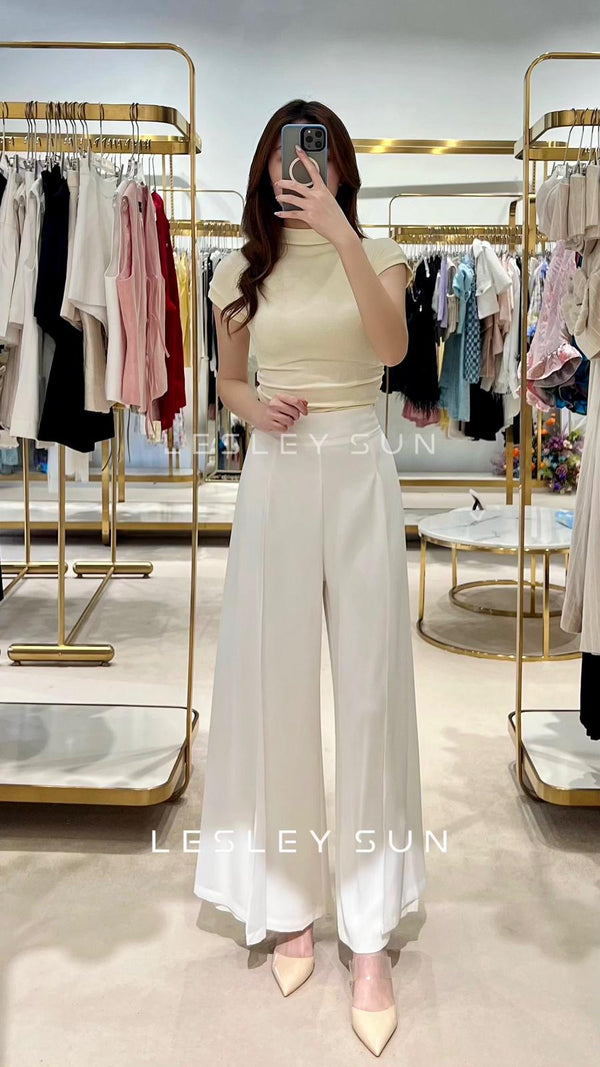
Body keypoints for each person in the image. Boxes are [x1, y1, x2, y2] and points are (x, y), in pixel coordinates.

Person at [193, 98, 427, 1057]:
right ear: (267, 167)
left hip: (360, 469)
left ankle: (368, 932)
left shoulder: (384, 256)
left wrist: (339, 232)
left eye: (319, 154)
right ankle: (290, 902)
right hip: (278, 474)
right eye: (291, 156)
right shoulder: (236, 271)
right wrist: (254, 409)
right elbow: (228, 383)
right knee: (280, 688)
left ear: (339, 167)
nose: (304, 168)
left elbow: (393, 352)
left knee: (369, 695)